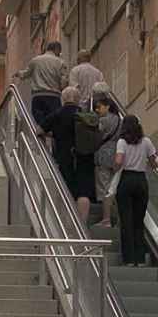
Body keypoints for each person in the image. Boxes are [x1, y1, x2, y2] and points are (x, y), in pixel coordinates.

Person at [112, 116, 158, 266]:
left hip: (126, 180)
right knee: (138, 221)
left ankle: (129, 259)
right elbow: (154, 164)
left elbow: (119, 161)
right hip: (141, 181)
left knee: (126, 221)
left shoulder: (122, 142)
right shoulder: (146, 141)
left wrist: (114, 167)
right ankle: (140, 259)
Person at [42, 87, 94, 224]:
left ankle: (66, 224)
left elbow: (38, 131)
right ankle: (82, 226)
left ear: (63, 99)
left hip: (65, 157)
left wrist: (54, 134)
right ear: (78, 99)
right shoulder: (87, 115)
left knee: (65, 190)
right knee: (83, 193)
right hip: (85, 158)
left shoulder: (57, 114)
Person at [18, 41, 69, 130]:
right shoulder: (60, 62)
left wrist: (18, 74)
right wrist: (62, 89)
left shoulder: (35, 61)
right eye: (59, 51)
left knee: (40, 122)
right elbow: (64, 82)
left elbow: (25, 74)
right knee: (55, 123)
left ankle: (42, 137)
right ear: (56, 49)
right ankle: (52, 139)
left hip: (38, 96)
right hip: (53, 97)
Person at [90, 96, 122, 227]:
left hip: (103, 154)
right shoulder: (119, 120)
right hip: (116, 153)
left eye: (99, 107)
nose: (97, 110)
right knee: (114, 187)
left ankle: (106, 219)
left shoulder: (102, 121)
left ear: (107, 106)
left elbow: (97, 136)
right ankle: (118, 218)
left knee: (104, 187)